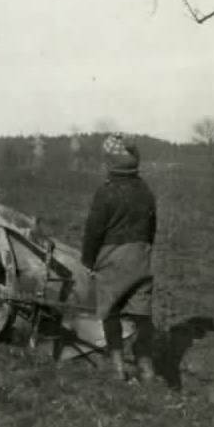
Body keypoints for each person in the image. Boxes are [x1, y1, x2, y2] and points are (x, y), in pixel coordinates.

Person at [81, 133, 157, 384]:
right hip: (140, 256)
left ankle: (117, 368)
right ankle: (146, 368)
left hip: (112, 258)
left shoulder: (106, 193)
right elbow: (151, 229)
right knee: (142, 313)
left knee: (111, 311)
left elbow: (94, 231)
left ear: (110, 164)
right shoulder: (145, 191)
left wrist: (88, 261)